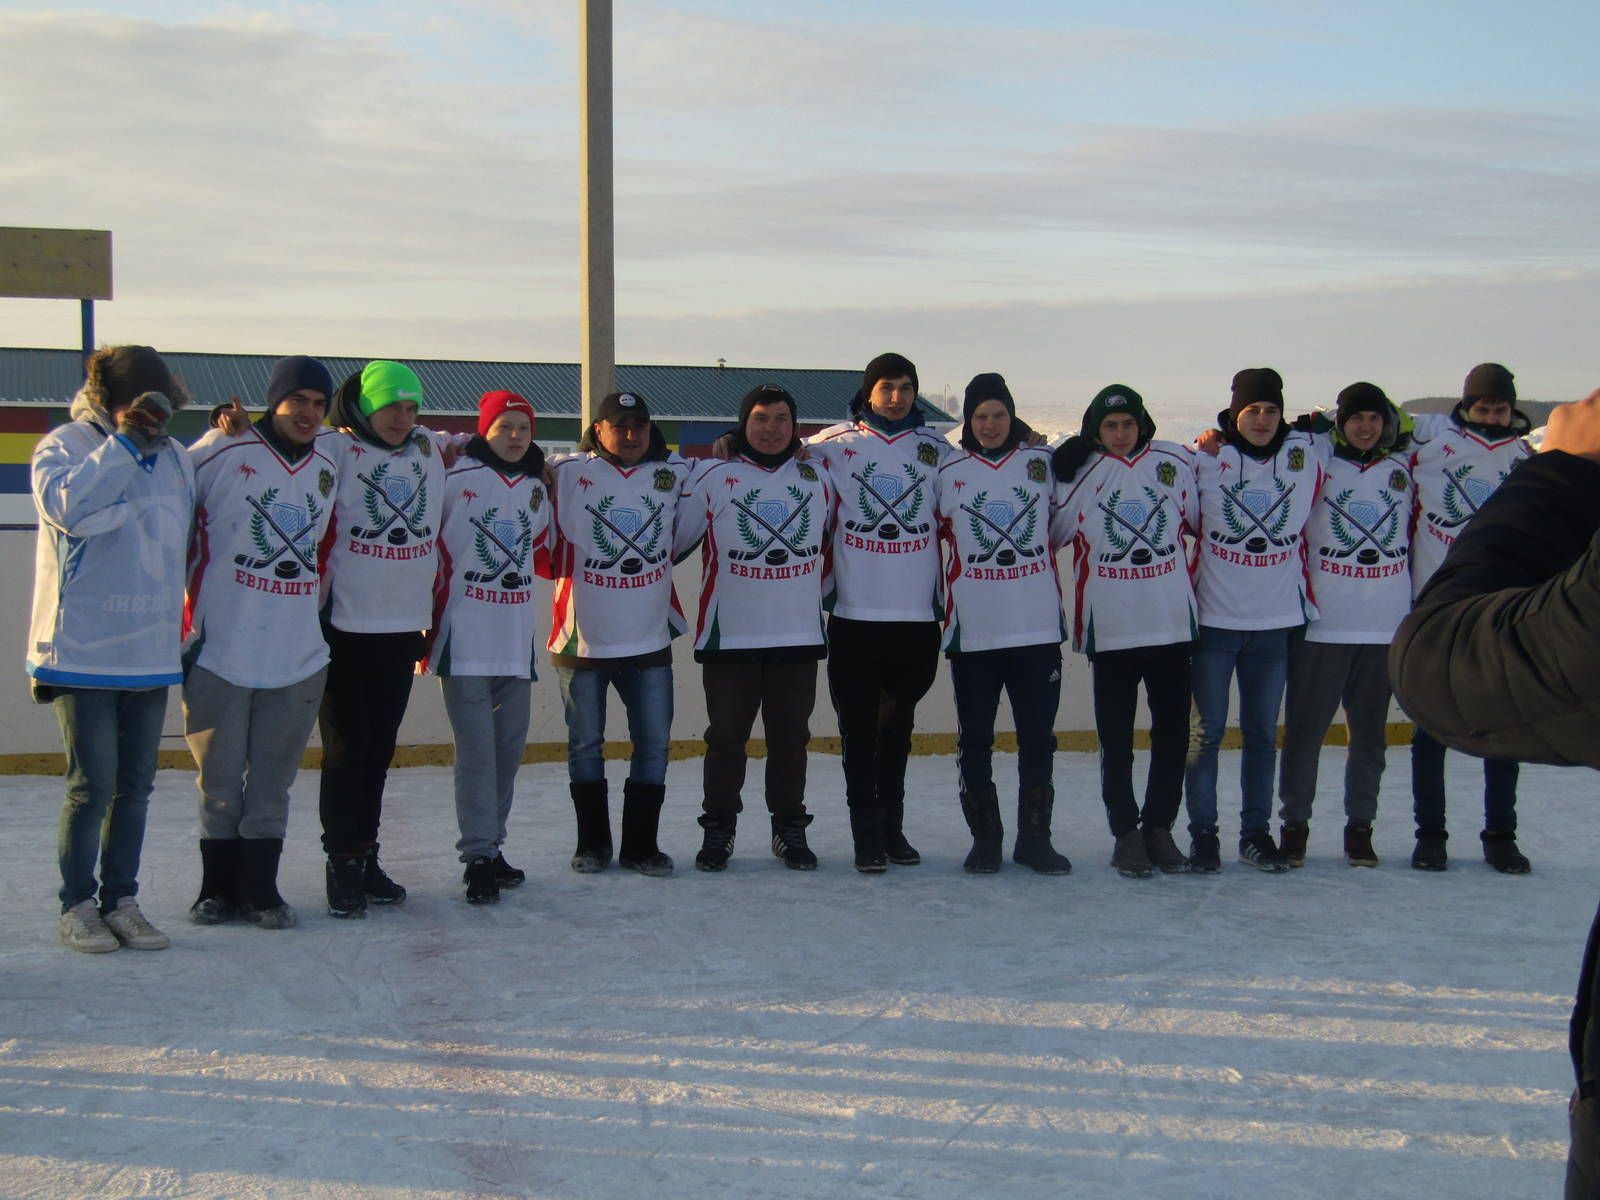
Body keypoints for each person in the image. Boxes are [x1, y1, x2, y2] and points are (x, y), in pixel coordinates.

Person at [1387, 389, 1600, 1198]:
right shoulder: (1429, 451)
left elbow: (1446, 664)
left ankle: (1494, 832)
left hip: (1491, 628)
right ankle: (1431, 831)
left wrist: (1561, 477)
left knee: (1477, 729)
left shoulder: (1535, 469)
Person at [28, 345, 195, 953]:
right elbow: (70, 507)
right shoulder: (65, 445)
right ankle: (77, 904)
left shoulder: (178, 458)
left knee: (136, 786)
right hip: (83, 647)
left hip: (149, 651)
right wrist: (123, 444)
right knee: (90, 785)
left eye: (157, 408)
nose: (149, 420)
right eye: (135, 406)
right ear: (110, 401)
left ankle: (121, 899)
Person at [183, 355, 338, 928]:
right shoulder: (225, 450)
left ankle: (260, 890)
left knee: (273, 783)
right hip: (221, 649)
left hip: (296, 656)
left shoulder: (330, 457)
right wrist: (214, 421)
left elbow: (408, 440)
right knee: (220, 782)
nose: (309, 413)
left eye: (319, 405)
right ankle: (216, 889)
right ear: (274, 401)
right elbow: (167, 483)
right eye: (298, 400)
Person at [673, 384, 833, 871]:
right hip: (731, 637)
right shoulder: (713, 475)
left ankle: (789, 828)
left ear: (795, 425)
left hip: (797, 636)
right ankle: (718, 829)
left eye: (782, 419)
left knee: (791, 740)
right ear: (744, 424)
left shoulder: (817, 475)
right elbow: (676, 542)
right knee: (725, 739)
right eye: (761, 418)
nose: (771, 428)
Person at [806, 353, 954, 871]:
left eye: (906, 387)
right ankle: (865, 834)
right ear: (869, 392)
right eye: (887, 387)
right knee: (860, 734)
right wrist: (731, 442)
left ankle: (893, 829)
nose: (896, 397)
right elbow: (770, 459)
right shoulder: (832, 447)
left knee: (898, 733)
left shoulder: (939, 451)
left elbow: (988, 468)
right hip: (854, 618)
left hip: (915, 622)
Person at [315, 361, 448, 917]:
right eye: (392, 405)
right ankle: (341, 861)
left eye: (412, 406)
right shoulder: (335, 449)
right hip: (345, 627)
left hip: (402, 627)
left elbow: (494, 441)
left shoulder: (426, 449)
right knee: (347, 752)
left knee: (379, 752)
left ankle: (366, 853)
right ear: (365, 405)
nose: (402, 416)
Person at [543, 391, 691, 877]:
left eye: (639, 426)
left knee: (653, 745)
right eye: (619, 426)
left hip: (648, 640)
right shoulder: (565, 472)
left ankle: (641, 847)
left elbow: (684, 538)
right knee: (585, 746)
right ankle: (593, 846)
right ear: (599, 429)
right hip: (581, 639)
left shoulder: (676, 476)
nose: (630, 436)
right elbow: (512, 461)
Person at [1055, 385, 1198, 878]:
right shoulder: (1083, 471)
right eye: (1110, 426)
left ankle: (1160, 826)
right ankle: (1126, 833)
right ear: (1095, 429)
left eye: (1128, 425)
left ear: (1143, 424)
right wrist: (1060, 468)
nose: (1120, 434)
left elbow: (1199, 519)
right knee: (1116, 739)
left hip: (1171, 625)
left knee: (1172, 734)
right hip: (1111, 629)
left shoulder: (1175, 462)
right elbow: (1052, 534)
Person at [1186, 368, 1323, 873]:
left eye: (1270, 410)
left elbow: (1388, 426)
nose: (1262, 420)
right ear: (1234, 413)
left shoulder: (1307, 452)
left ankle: (1255, 834)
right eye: (1252, 411)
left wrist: (1319, 420)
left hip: (1276, 624)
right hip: (1216, 624)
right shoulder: (1206, 459)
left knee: (1263, 735)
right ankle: (1203, 834)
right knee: (1207, 735)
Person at [933, 373, 1072, 874]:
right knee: (975, 740)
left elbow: (1065, 522)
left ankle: (1035, 839)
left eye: (999, 415)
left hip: (1035, 631)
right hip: (974, 634)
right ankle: (986, 838)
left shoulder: (1042, 464)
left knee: (1038, 739)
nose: (990, 425)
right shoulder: (947, 471)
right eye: (980, 416)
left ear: (1013, 417)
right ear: (969, 422)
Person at [1403, 363, 1535, 872]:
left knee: (1501, 726)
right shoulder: (1431, 441)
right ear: (1466, 405)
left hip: (1499, 610)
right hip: (1438, 607)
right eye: (1483, 407)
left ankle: (1500, 834)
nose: (1493, 416)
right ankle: (1430, 833)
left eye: (1501, 408)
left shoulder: (1523, 457)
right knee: (1429, 729)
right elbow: (1349, 419)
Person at [1275, 382, 1412, 868]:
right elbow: (1263, 441)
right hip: (1324, 626)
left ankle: (1360, 828)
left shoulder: (1404, 466)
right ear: (1341, 422)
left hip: (1384, 628)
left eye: (1375, 418)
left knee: (1370, 736)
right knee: (1306, 734)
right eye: (1357, 418)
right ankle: (1295, 826)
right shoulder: (1317, 461)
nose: (1366, 427)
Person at [422, 390, 551, 904]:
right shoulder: (453, 479)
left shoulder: (537, 487)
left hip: (514, 645)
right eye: (504, 428)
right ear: (485, 430)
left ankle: (493, 846)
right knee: (476, 756)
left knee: (506, 754)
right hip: (464, 643)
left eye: (523, 428)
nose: (515, 437)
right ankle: (476, 855)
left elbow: (538, 549)